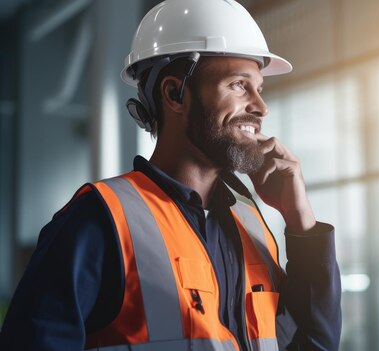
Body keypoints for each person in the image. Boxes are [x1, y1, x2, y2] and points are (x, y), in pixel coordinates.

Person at [0, 0, 342, 350]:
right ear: (175, 94)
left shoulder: (251, 225)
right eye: (239, 85)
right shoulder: (100, 220)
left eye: (259, 88)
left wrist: (301, 223)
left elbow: (315, 343)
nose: (260, 106)